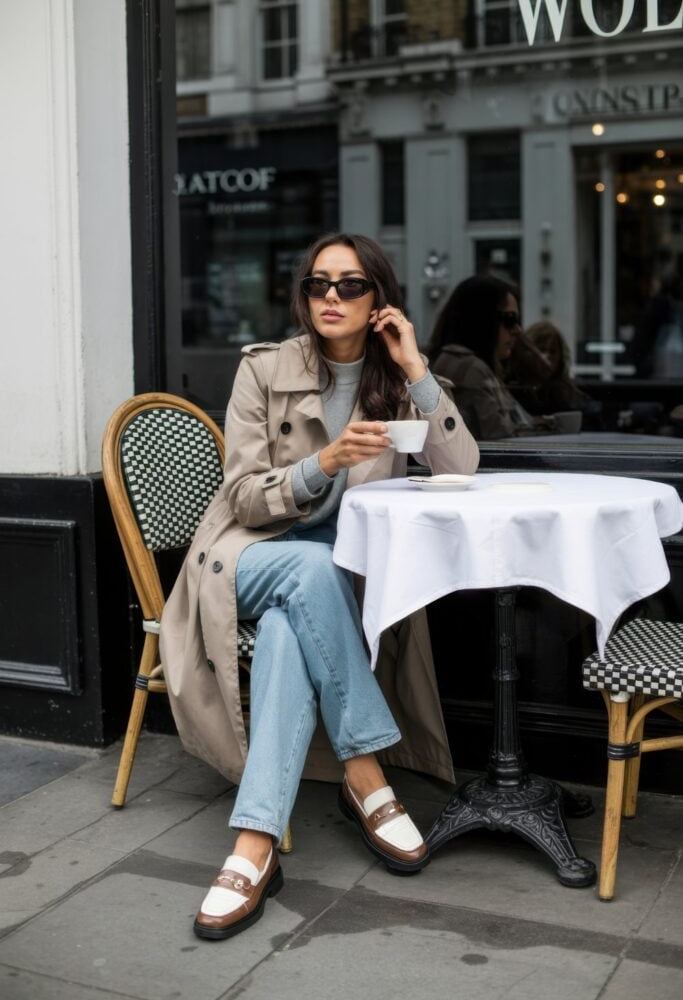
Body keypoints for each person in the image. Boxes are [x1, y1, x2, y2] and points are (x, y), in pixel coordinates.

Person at [159, 232, 479, 941]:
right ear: (304, 296)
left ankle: (253, 845)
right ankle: (364, 772)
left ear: (378, 301)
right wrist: (323, 463)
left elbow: (461, 461)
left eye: (351, 285)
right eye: (317, 284)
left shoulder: (398, 381)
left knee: (285, 630)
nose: (330, 297)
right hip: (246, 557)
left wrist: (416, 366)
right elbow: (241, 499)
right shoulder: (264, 369)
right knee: (302, 570)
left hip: (332, 582)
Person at [428, 275, 550, 440]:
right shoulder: (470, 368)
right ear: (482, 318)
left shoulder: (460, 362)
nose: (517, 330)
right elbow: (502, 440)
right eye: (509, 320)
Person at [508, 320, 596, 419]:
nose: (547, 356)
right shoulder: (513, 389)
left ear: (560, 357)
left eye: (552, 351)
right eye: (541, 349)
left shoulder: (565, 392)